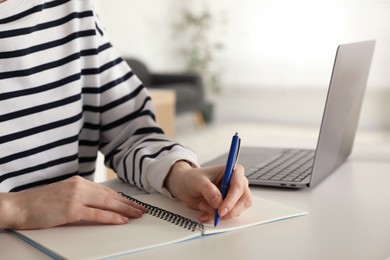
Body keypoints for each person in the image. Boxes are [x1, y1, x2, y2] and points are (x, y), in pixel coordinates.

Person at [0, 0, 251, 230]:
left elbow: (130, 133)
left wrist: (179, 175)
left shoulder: (73, 9)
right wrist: (13, 208)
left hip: (76, 244)